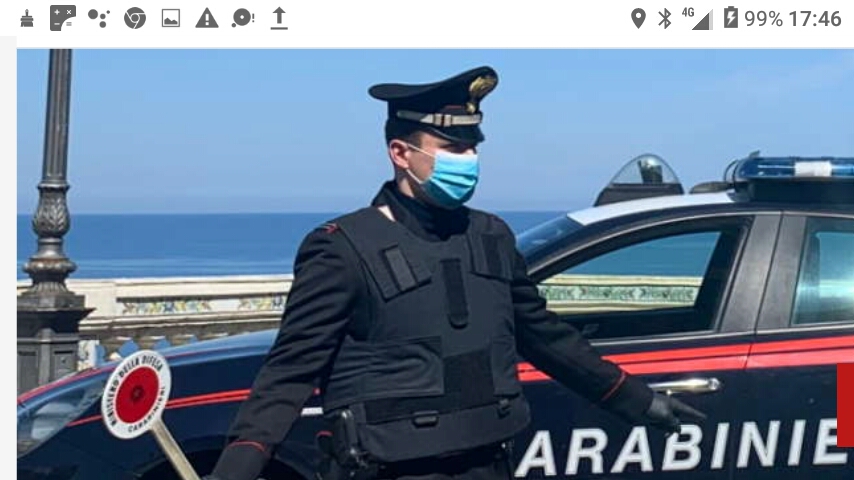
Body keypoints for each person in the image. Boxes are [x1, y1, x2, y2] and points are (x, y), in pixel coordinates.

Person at [204, 66, 705, 480]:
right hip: (389, 469)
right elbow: (289, 372)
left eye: (472, 148)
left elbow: (545, 337)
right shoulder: (342, 248)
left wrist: (636, 400)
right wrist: (239, 465)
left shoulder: (491, 236)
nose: (469, 160)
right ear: (401, 153)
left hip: (487, 462)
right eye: (452, 148)